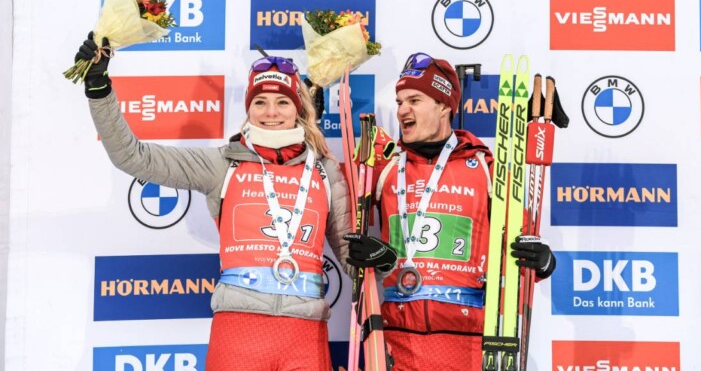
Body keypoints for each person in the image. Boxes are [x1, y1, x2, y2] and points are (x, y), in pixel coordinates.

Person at [75, 33, 352, 371]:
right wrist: (99, 89)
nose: (271, 112)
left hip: (305, 337)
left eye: (282, 102)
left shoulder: (324, 171)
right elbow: (133, 157)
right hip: (238, 334)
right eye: (260, 102)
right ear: (248, 109)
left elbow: (353, 259)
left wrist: (379, 259)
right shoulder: (223, 163)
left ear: (299, 108)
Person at [344, 52, 556, 371]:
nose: (402, 110)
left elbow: (520, 243)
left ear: (444, 105)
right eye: (399, 101)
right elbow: (340, 220)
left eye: (414, 100)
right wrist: (376, 255)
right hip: (398, 340)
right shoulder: (384, 167)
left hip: (469, 342)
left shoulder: (487, 169)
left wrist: (543, 261)